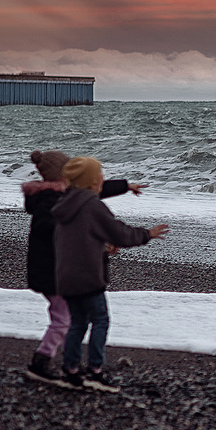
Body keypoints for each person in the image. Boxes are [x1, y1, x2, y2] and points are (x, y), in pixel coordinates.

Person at [21, 150, 143, 387]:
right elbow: (73, 226)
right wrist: (100, 245)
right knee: (64, 319)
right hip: (51, 272)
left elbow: (90, 192)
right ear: (62, 176)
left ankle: (69, 365)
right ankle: (41, 363)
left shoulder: (58, 196)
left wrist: (126, 186)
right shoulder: (51, 204)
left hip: (55, 270)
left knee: (69, 318)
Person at [52, 156, 168, 391]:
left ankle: (71, 369)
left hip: (65, 276)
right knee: (101, 320)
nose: (102, 178)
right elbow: (119, 233)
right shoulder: (92, 206)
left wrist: (102, 247)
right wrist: (147, 234)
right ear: (93, 182)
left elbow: (81, 238)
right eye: (100, 175)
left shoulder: (65, 204)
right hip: (88, 277)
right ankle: (95, 370)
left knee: (77, 323)